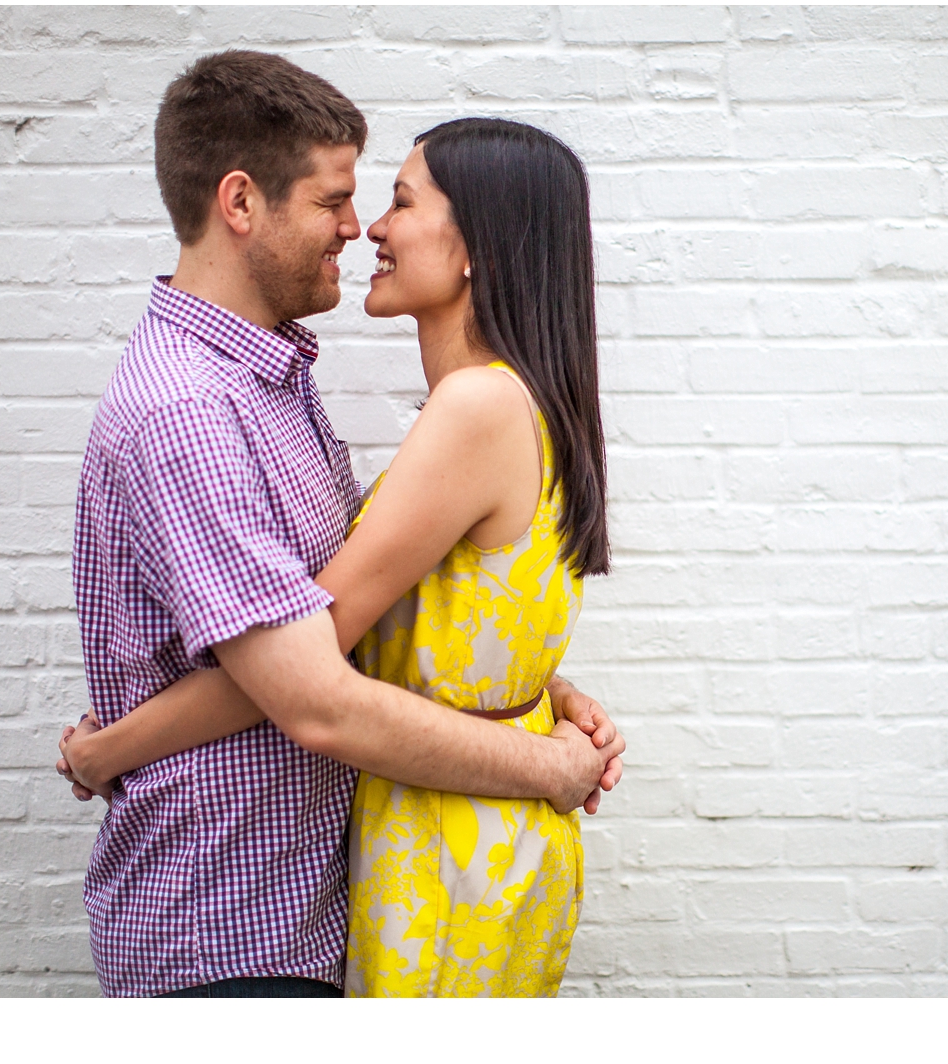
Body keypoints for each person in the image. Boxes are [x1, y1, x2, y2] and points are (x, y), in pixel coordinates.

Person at [57, 51, 622, 999]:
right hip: (228, 928)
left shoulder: (325, 389)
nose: (363, 230)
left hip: (386, 874)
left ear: (479, 241)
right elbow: (316, 674)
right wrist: (538, 728)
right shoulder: (192, 410)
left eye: (394, 201)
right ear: (241, 204)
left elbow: (331, 637)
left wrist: (113, 745)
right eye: (340, 201)